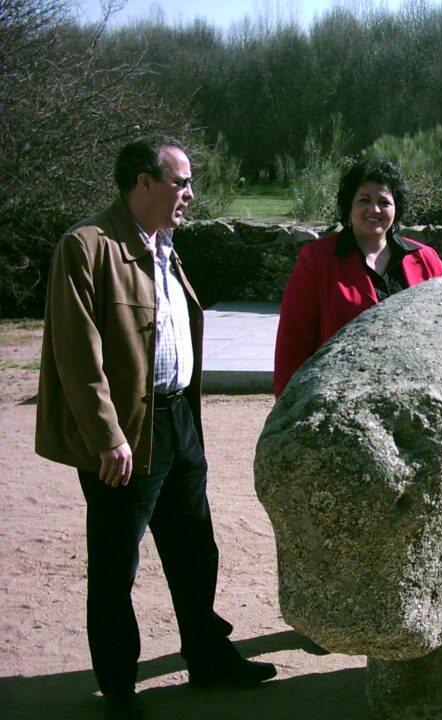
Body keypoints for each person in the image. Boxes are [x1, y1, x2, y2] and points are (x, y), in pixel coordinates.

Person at [35, 136, 276, 720]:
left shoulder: (163, 244)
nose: (190, 194)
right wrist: (106, 436)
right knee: (117, 564)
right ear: (143, 183)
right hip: (125, 435)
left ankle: (207, 655)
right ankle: (118, 688)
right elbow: (76, 352)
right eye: (181, 182)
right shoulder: (88, 246)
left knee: (195, 548)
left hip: (177, 423)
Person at [273, 158, 442, 397]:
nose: (374, 210)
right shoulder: (317, 260)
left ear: (396, 209)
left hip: (413, 394)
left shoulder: (425, 259)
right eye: (364, 200)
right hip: (340, 396)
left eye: (384, 202)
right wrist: (288, 406)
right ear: (349, 206)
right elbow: (293, 341)